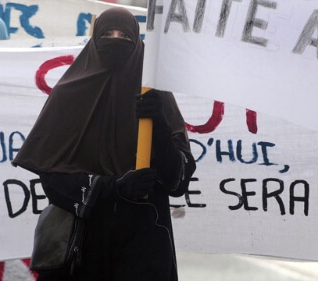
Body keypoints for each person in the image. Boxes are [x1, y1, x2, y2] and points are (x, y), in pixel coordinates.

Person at [12, 7, 196, 281]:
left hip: (143, 250)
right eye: (107, 34)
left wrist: (159, 126)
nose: (115, 40)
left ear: (137, 44)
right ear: (94, 40)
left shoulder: (154, 94)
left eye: (124, 35)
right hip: (83, 250)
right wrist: (112, 188)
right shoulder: (69, 94)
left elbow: (177, 182)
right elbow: (53, 182)